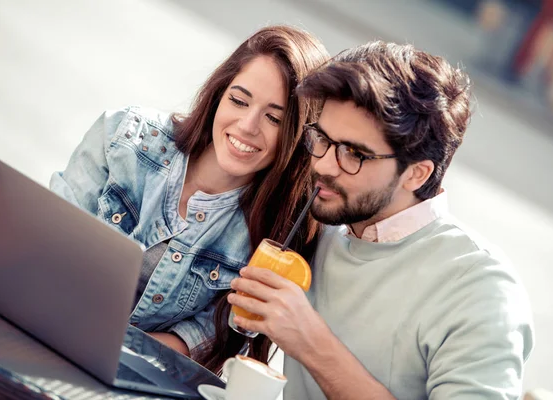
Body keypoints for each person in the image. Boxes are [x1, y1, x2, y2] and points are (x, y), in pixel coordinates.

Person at [228, 41, 534, 399]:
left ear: (416, 174)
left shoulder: (480, 289)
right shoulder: (322, 225)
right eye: (322, 139)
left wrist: (312, 344)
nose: (323, 165)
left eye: (354, 154)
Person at [50, 25, 329, 371]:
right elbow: (49, 233)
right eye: (239, 100)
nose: (246, 125)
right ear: (218, 94)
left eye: (274, 118)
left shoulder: (278, 236)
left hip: (133, 376)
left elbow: (214, 333)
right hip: (43, 322)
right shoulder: (123, 137)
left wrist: (114, 350)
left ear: (298, 135)